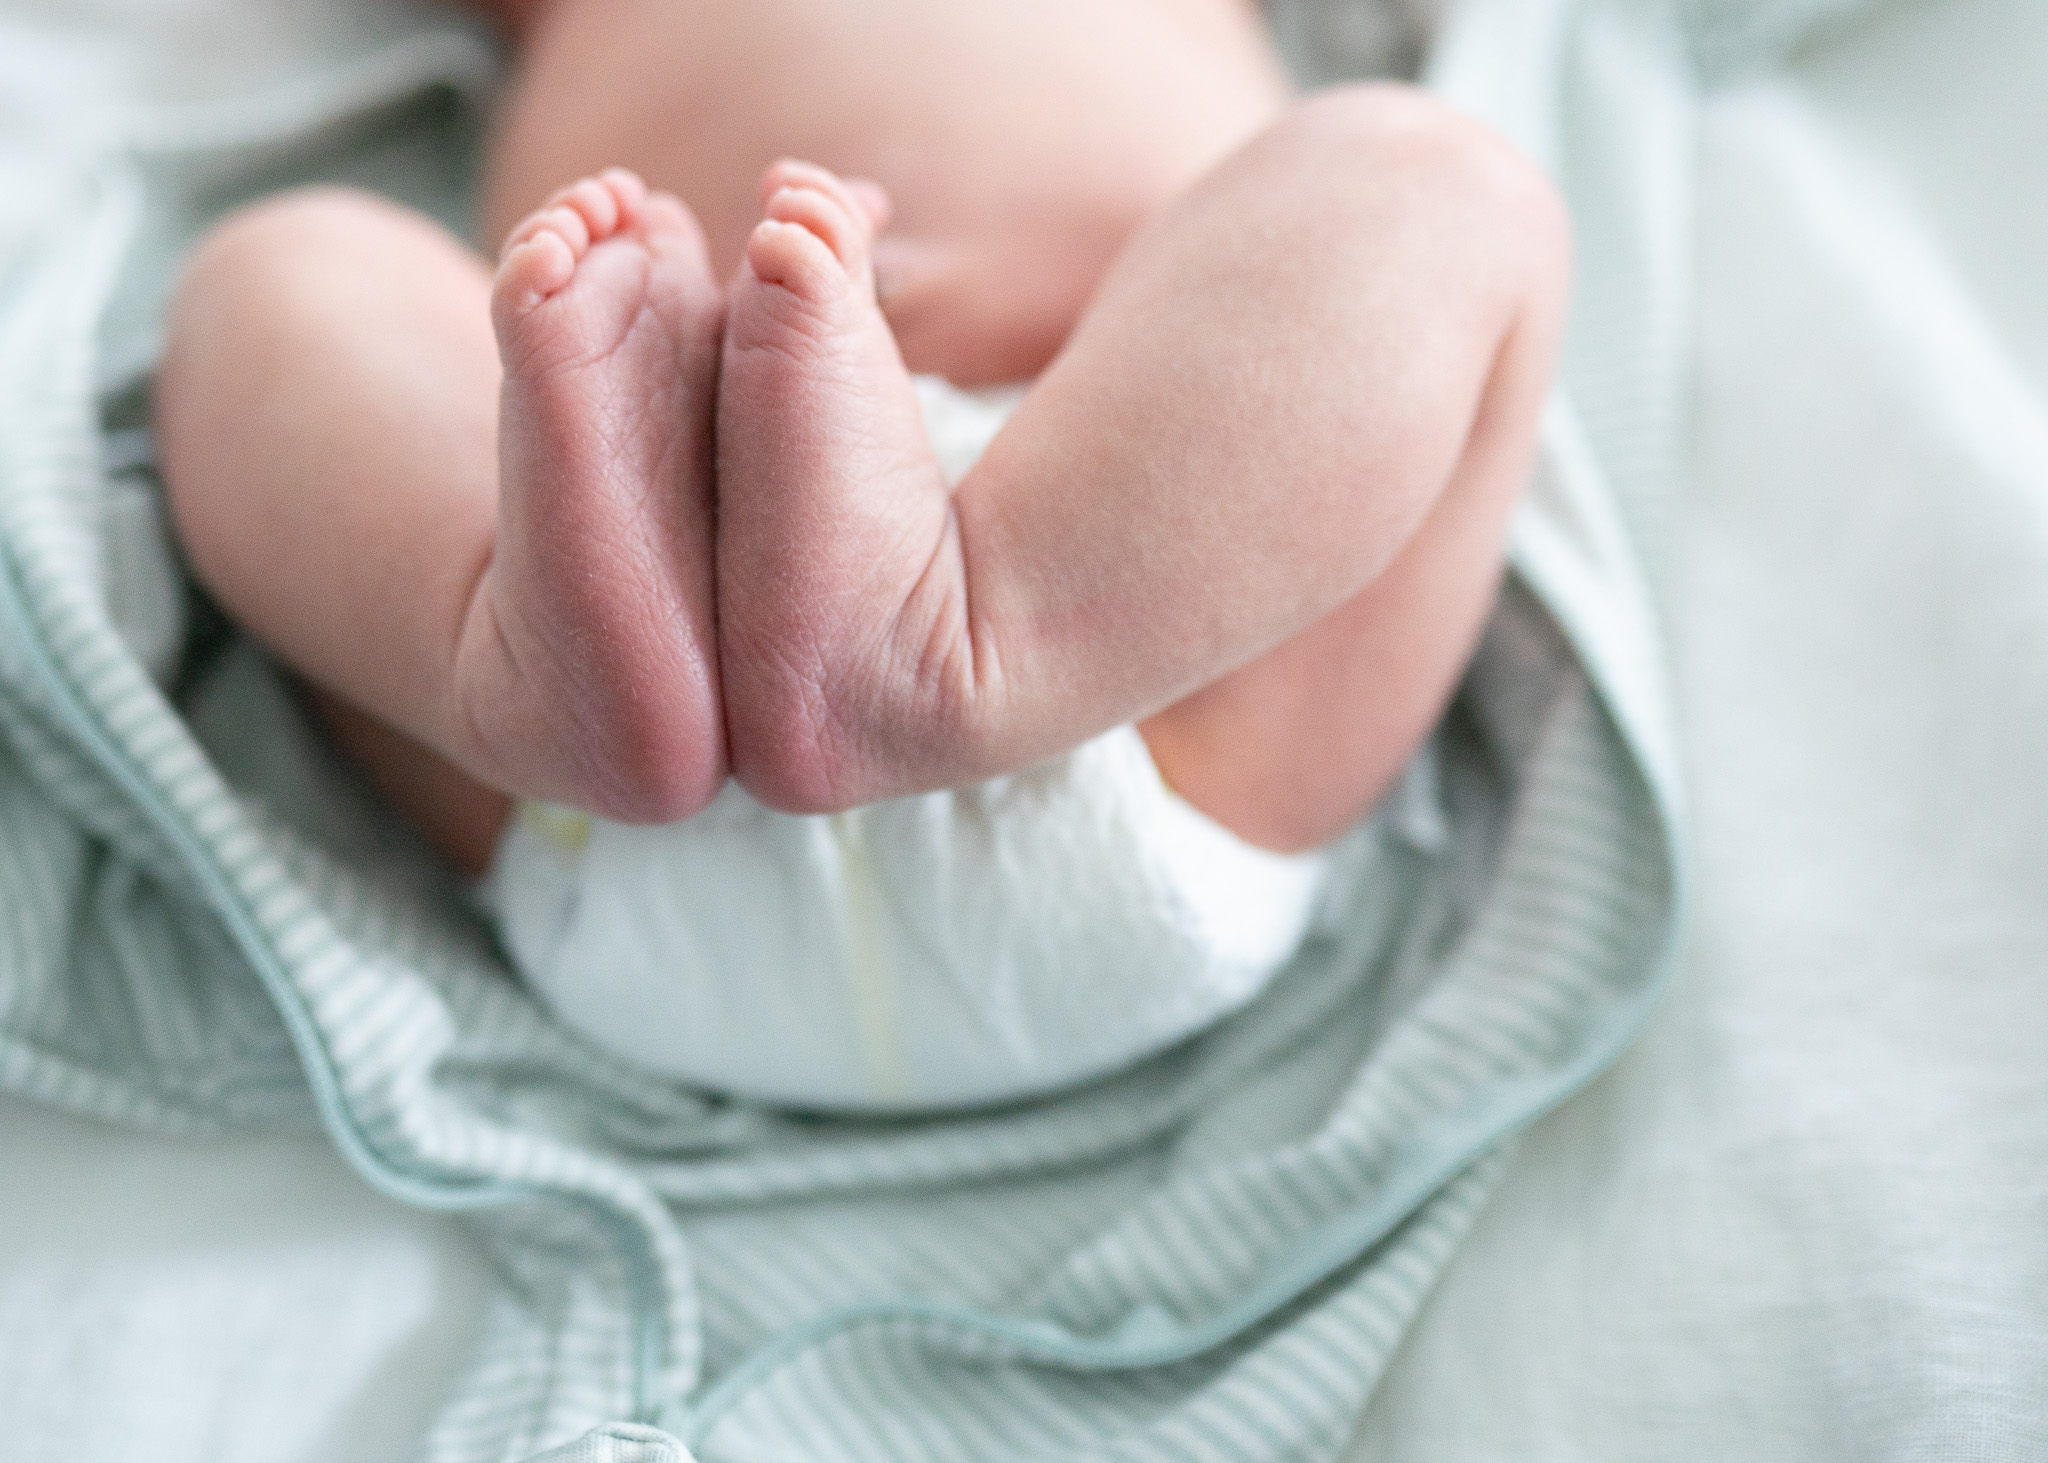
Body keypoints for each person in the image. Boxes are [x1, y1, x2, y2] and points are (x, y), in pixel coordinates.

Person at [152, 0, 1567, 1107]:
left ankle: (944, 631)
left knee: (1431, 174)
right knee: (270, 276)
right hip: (654, 616)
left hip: (1123, 593)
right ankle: (512, 648)